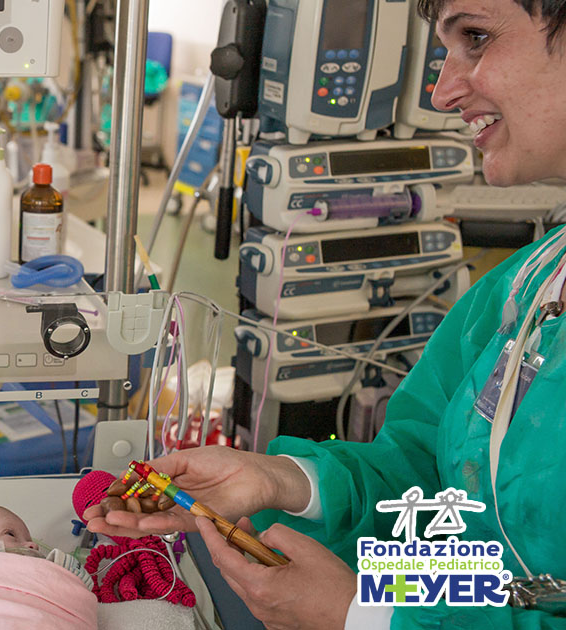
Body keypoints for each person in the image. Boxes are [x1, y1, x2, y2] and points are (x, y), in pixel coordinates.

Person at [86, 0, 566, 628]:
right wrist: (284, 482)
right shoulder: (528, 286)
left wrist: (363, 616)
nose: (443, 91)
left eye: (476, 37)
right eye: (444, 49)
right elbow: (431, 479)